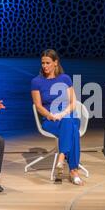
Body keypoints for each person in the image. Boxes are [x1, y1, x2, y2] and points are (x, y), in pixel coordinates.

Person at [31, 49, 84, 185]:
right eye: (43, 63)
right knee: (73, 130)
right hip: (50, 120)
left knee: (69, 121)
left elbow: (73, 102)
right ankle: (73, 171)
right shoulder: (36, 81)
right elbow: (38, 106)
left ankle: (62, 156)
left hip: (67, 114)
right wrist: (50, 115)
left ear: (55, 63)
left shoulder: (65, 78)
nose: (45, 66)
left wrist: (62, 113)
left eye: (48, 63)